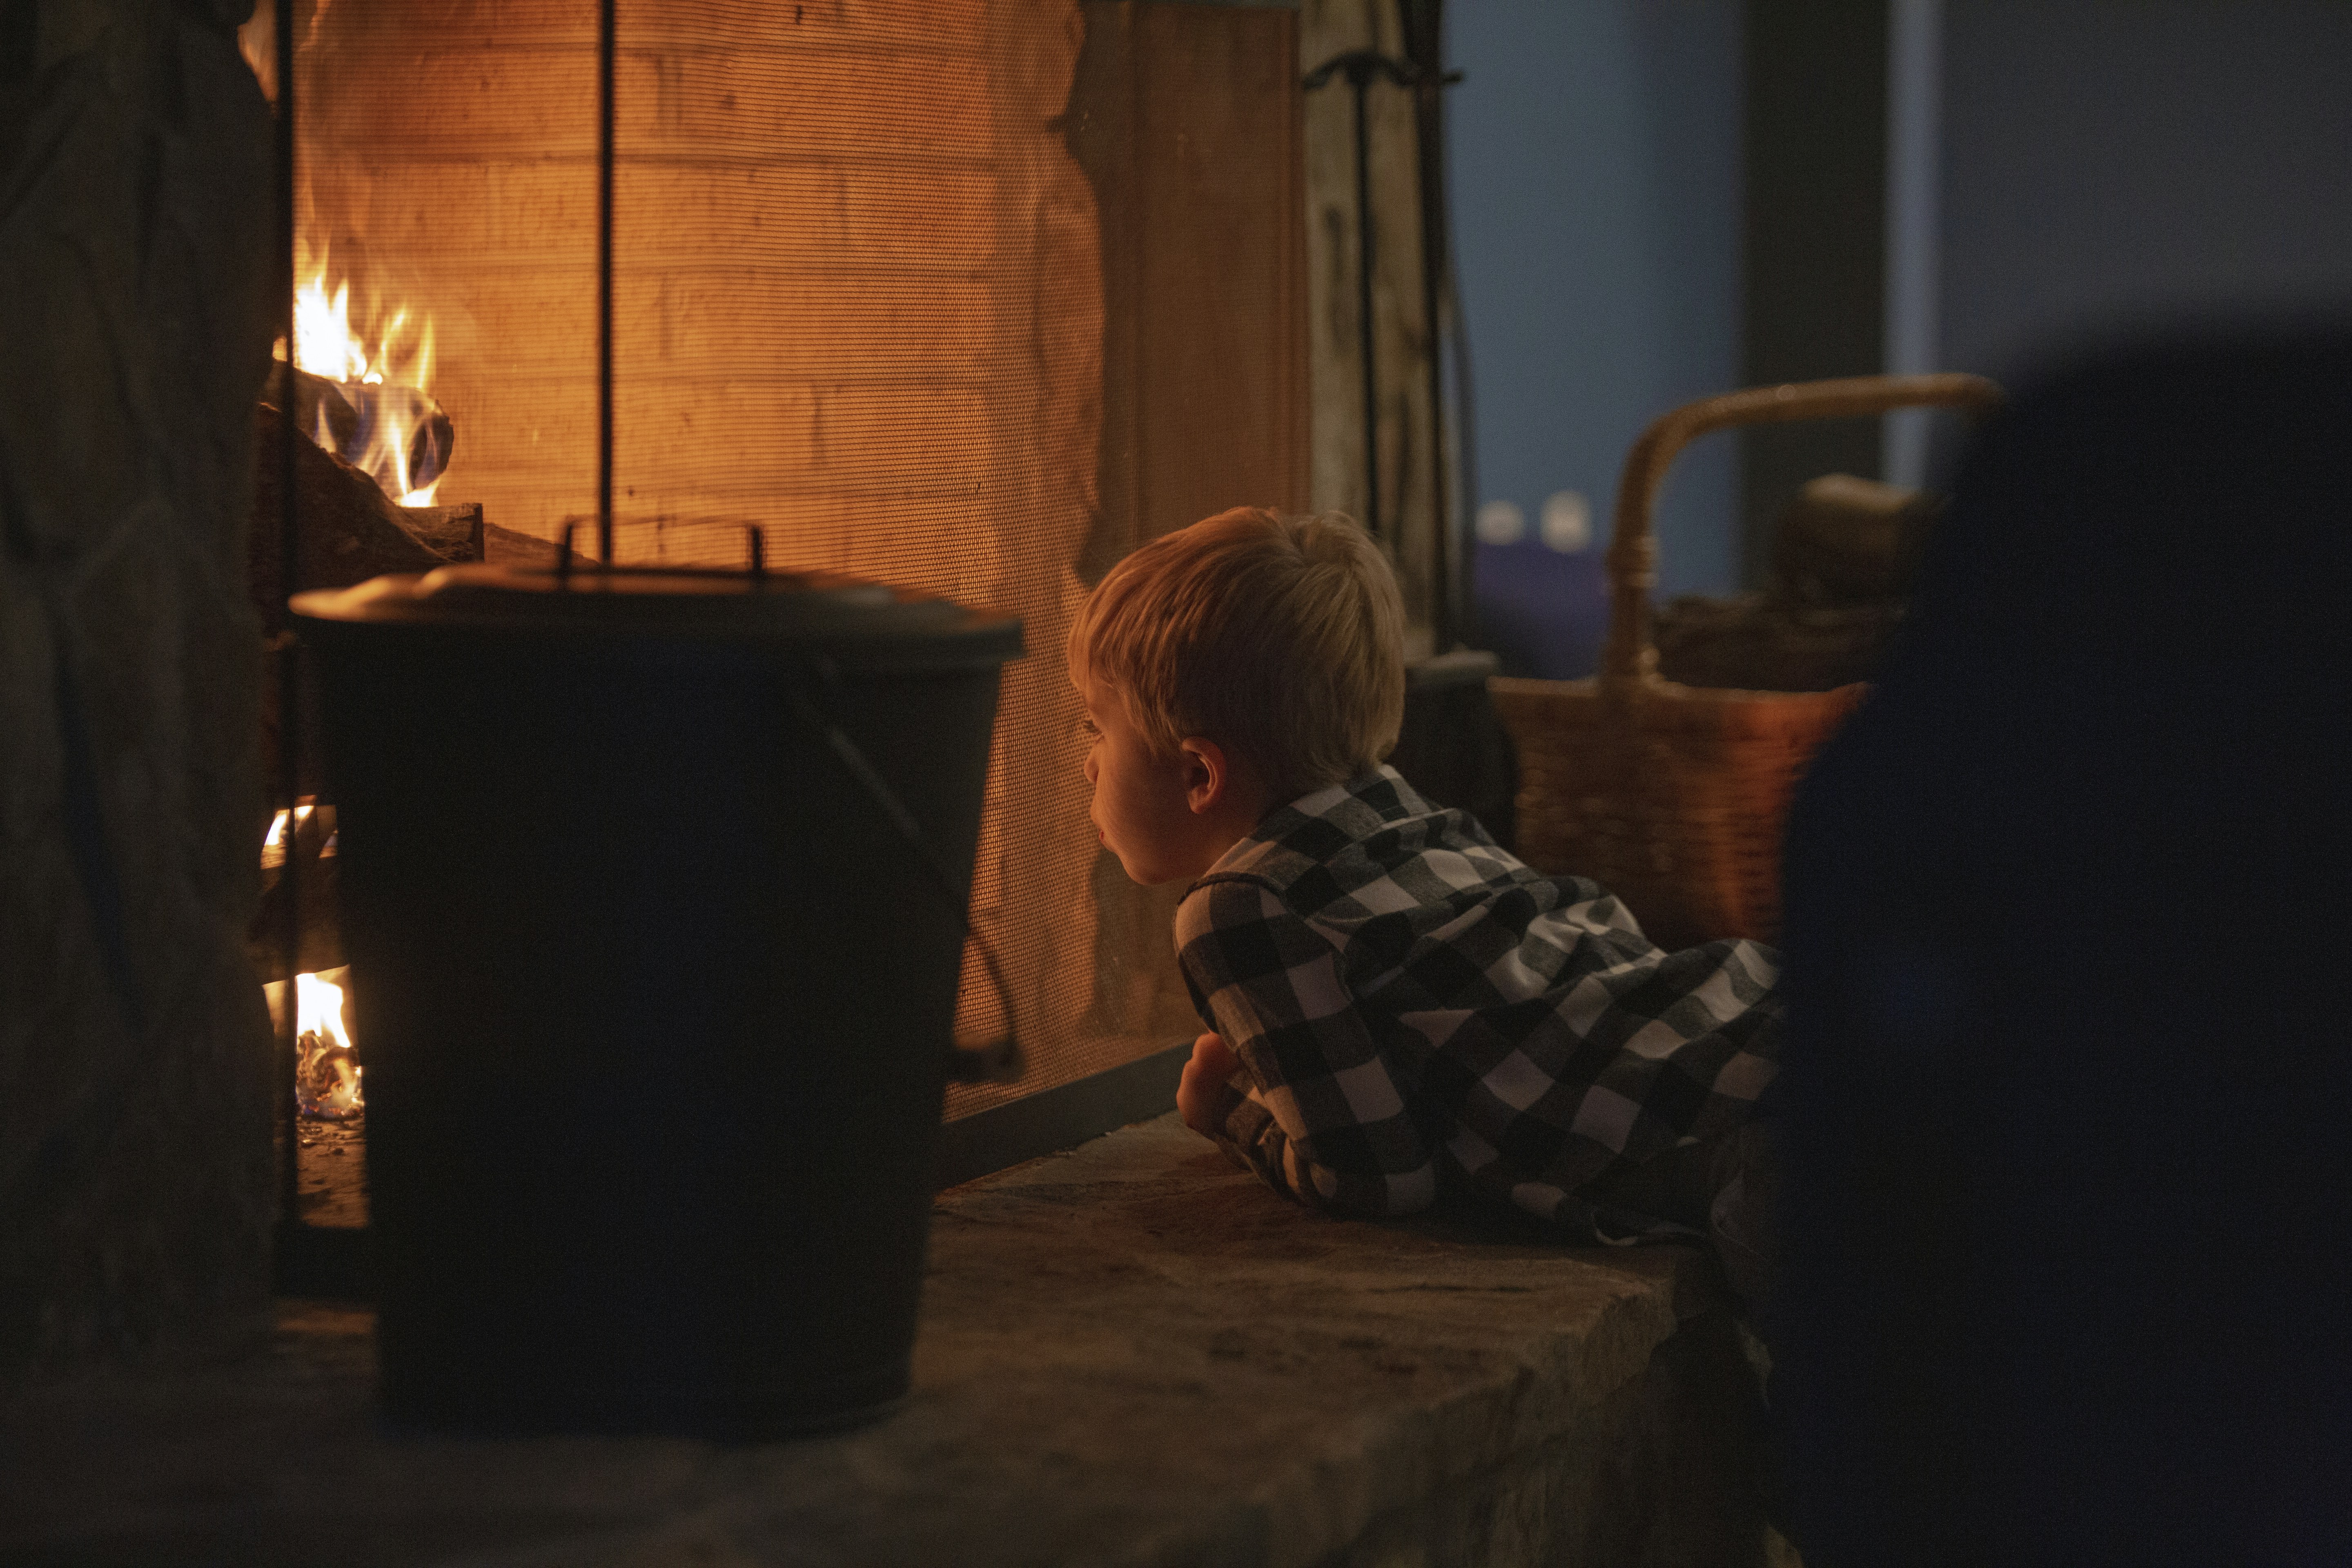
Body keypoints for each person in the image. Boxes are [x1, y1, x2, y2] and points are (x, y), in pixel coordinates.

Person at [1069, 506, 1783, 1304]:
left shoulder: (1241, 908)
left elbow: (1377, 1176)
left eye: (1098, 729)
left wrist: (1230, 1110)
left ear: (1200, 776)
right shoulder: (1409, 817)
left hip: (1746, 1142)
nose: (1087, 763)